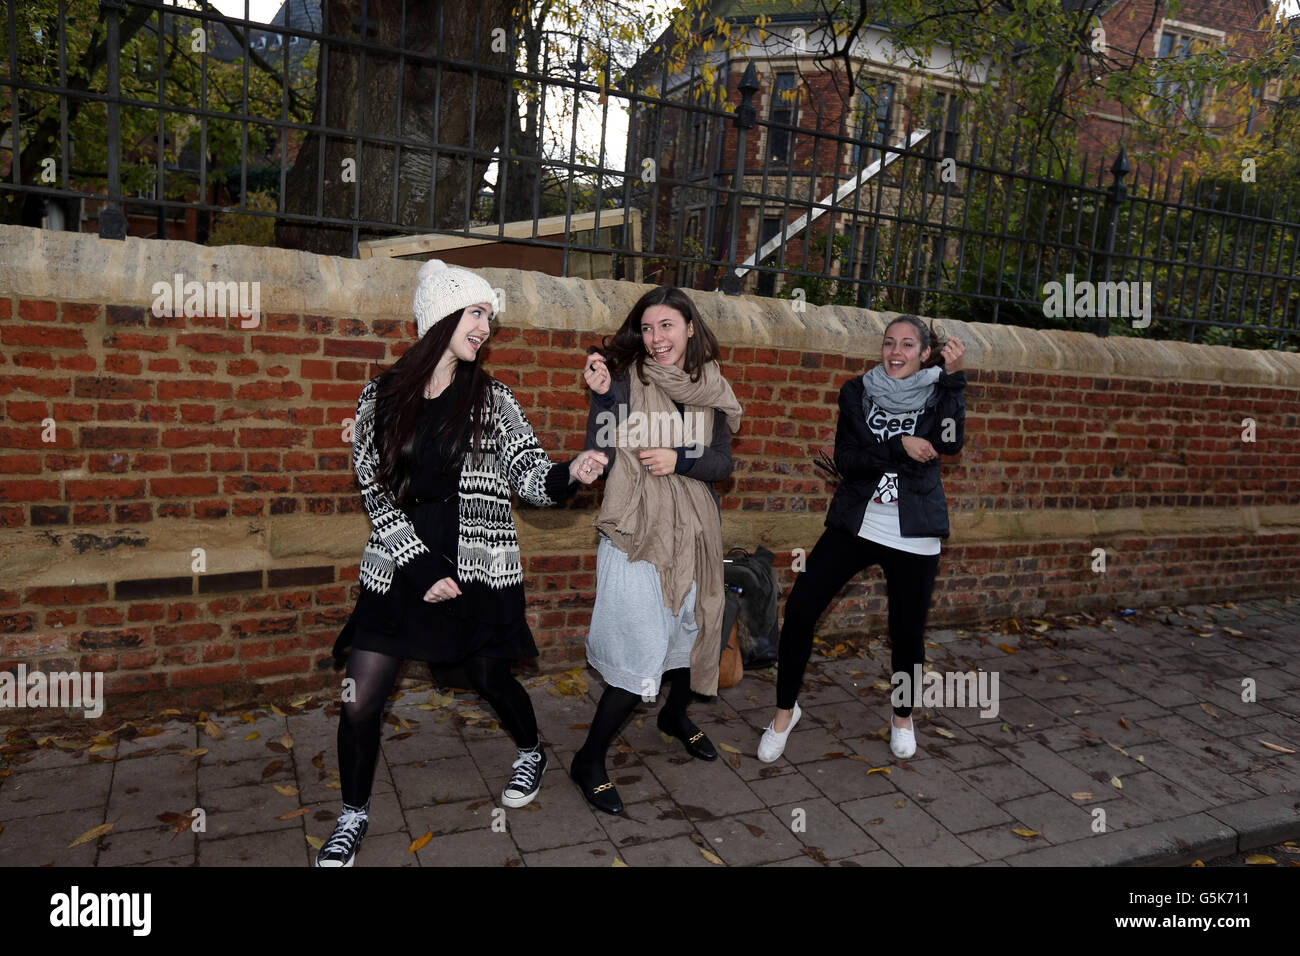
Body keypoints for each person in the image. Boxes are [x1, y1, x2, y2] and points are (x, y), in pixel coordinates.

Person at [318, 260, 608, 867]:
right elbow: (372, 487)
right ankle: (353, 814)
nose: (485, 326)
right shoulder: (380, 394)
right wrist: (420, 569)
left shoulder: (493, 400)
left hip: (476, 562)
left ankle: (531, 749)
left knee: (486, 677)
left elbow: (526, 472)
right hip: (399, 566)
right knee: (358, 698)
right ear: (441, 316)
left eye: (488, 318)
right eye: (476, 313)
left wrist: (568, 475)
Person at [757, 316, 967, 764]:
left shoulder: (939, 392)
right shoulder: (857, 391)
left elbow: (950, 442)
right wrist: (898, 447)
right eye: (889, 342)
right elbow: (848, 459)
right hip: (859, 521)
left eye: (908, 345)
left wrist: (952, 383)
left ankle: (903, 717)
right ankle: (784, 712)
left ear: (925, 353)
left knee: (906, 633)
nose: (895, 352)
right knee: (799, 610)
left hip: (914, 529)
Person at [569, 286, 743, 815]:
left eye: (666, 326)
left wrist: (680, 457)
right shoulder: (626, 379)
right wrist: (602, 396)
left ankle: (673, 716)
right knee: (642, 649)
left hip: (693, 535)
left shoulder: (711, 385)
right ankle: (589, 760)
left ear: (690, 327)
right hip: (637, 538)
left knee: (695, 635)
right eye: (646, 328)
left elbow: (722, 464)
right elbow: (601, 441)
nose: (655, 338)